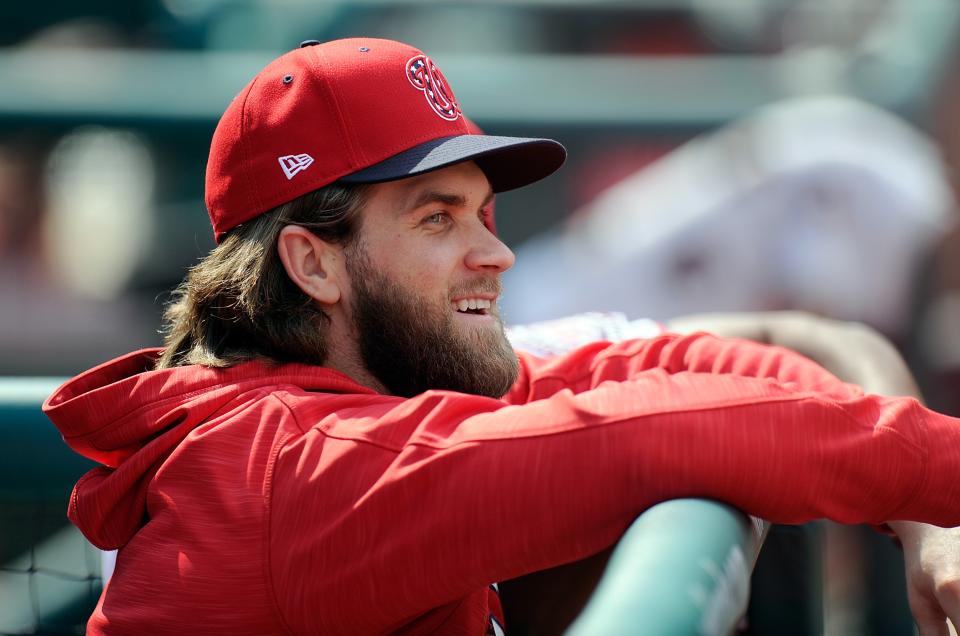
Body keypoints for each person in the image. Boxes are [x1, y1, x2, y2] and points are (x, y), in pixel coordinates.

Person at [43, 38, 960, 635]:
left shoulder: (388, 381)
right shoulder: (293, 470)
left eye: (486, 213)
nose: (498, 254)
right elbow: (672, 427)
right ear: (312, 265)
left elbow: (701, 366)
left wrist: (926, 519)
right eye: (439, 220)